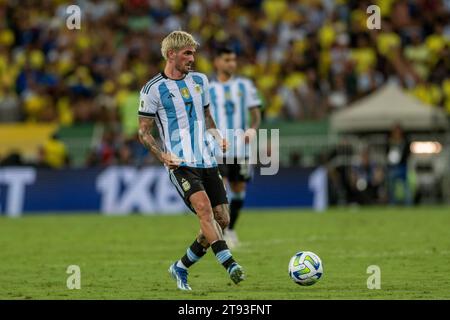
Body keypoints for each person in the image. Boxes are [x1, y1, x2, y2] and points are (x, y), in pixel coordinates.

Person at [137, 31, 245, 291]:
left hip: (206, 159)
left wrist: (217, 136)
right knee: (204, 210)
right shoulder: (153, 89)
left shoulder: (200, 81)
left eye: (193, 53)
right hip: (180, 163)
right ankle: (229, 262)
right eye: (187, 53)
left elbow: (207, 116)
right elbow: (143, 131)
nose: (192, 58)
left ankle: (181, 266)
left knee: (222, 219)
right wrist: (163, 155)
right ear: (171, 54)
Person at [209, 46, 262, 248]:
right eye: (227, 59)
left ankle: (230, 229)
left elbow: (256, 114)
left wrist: (252, 129)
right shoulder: (209, 88)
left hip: (241, 148)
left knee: (239, 189)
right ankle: (220, 229)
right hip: (217, 149)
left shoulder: (245, 86)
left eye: (233, 59)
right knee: (219, 191)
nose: (232, 63)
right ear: (217, 62)